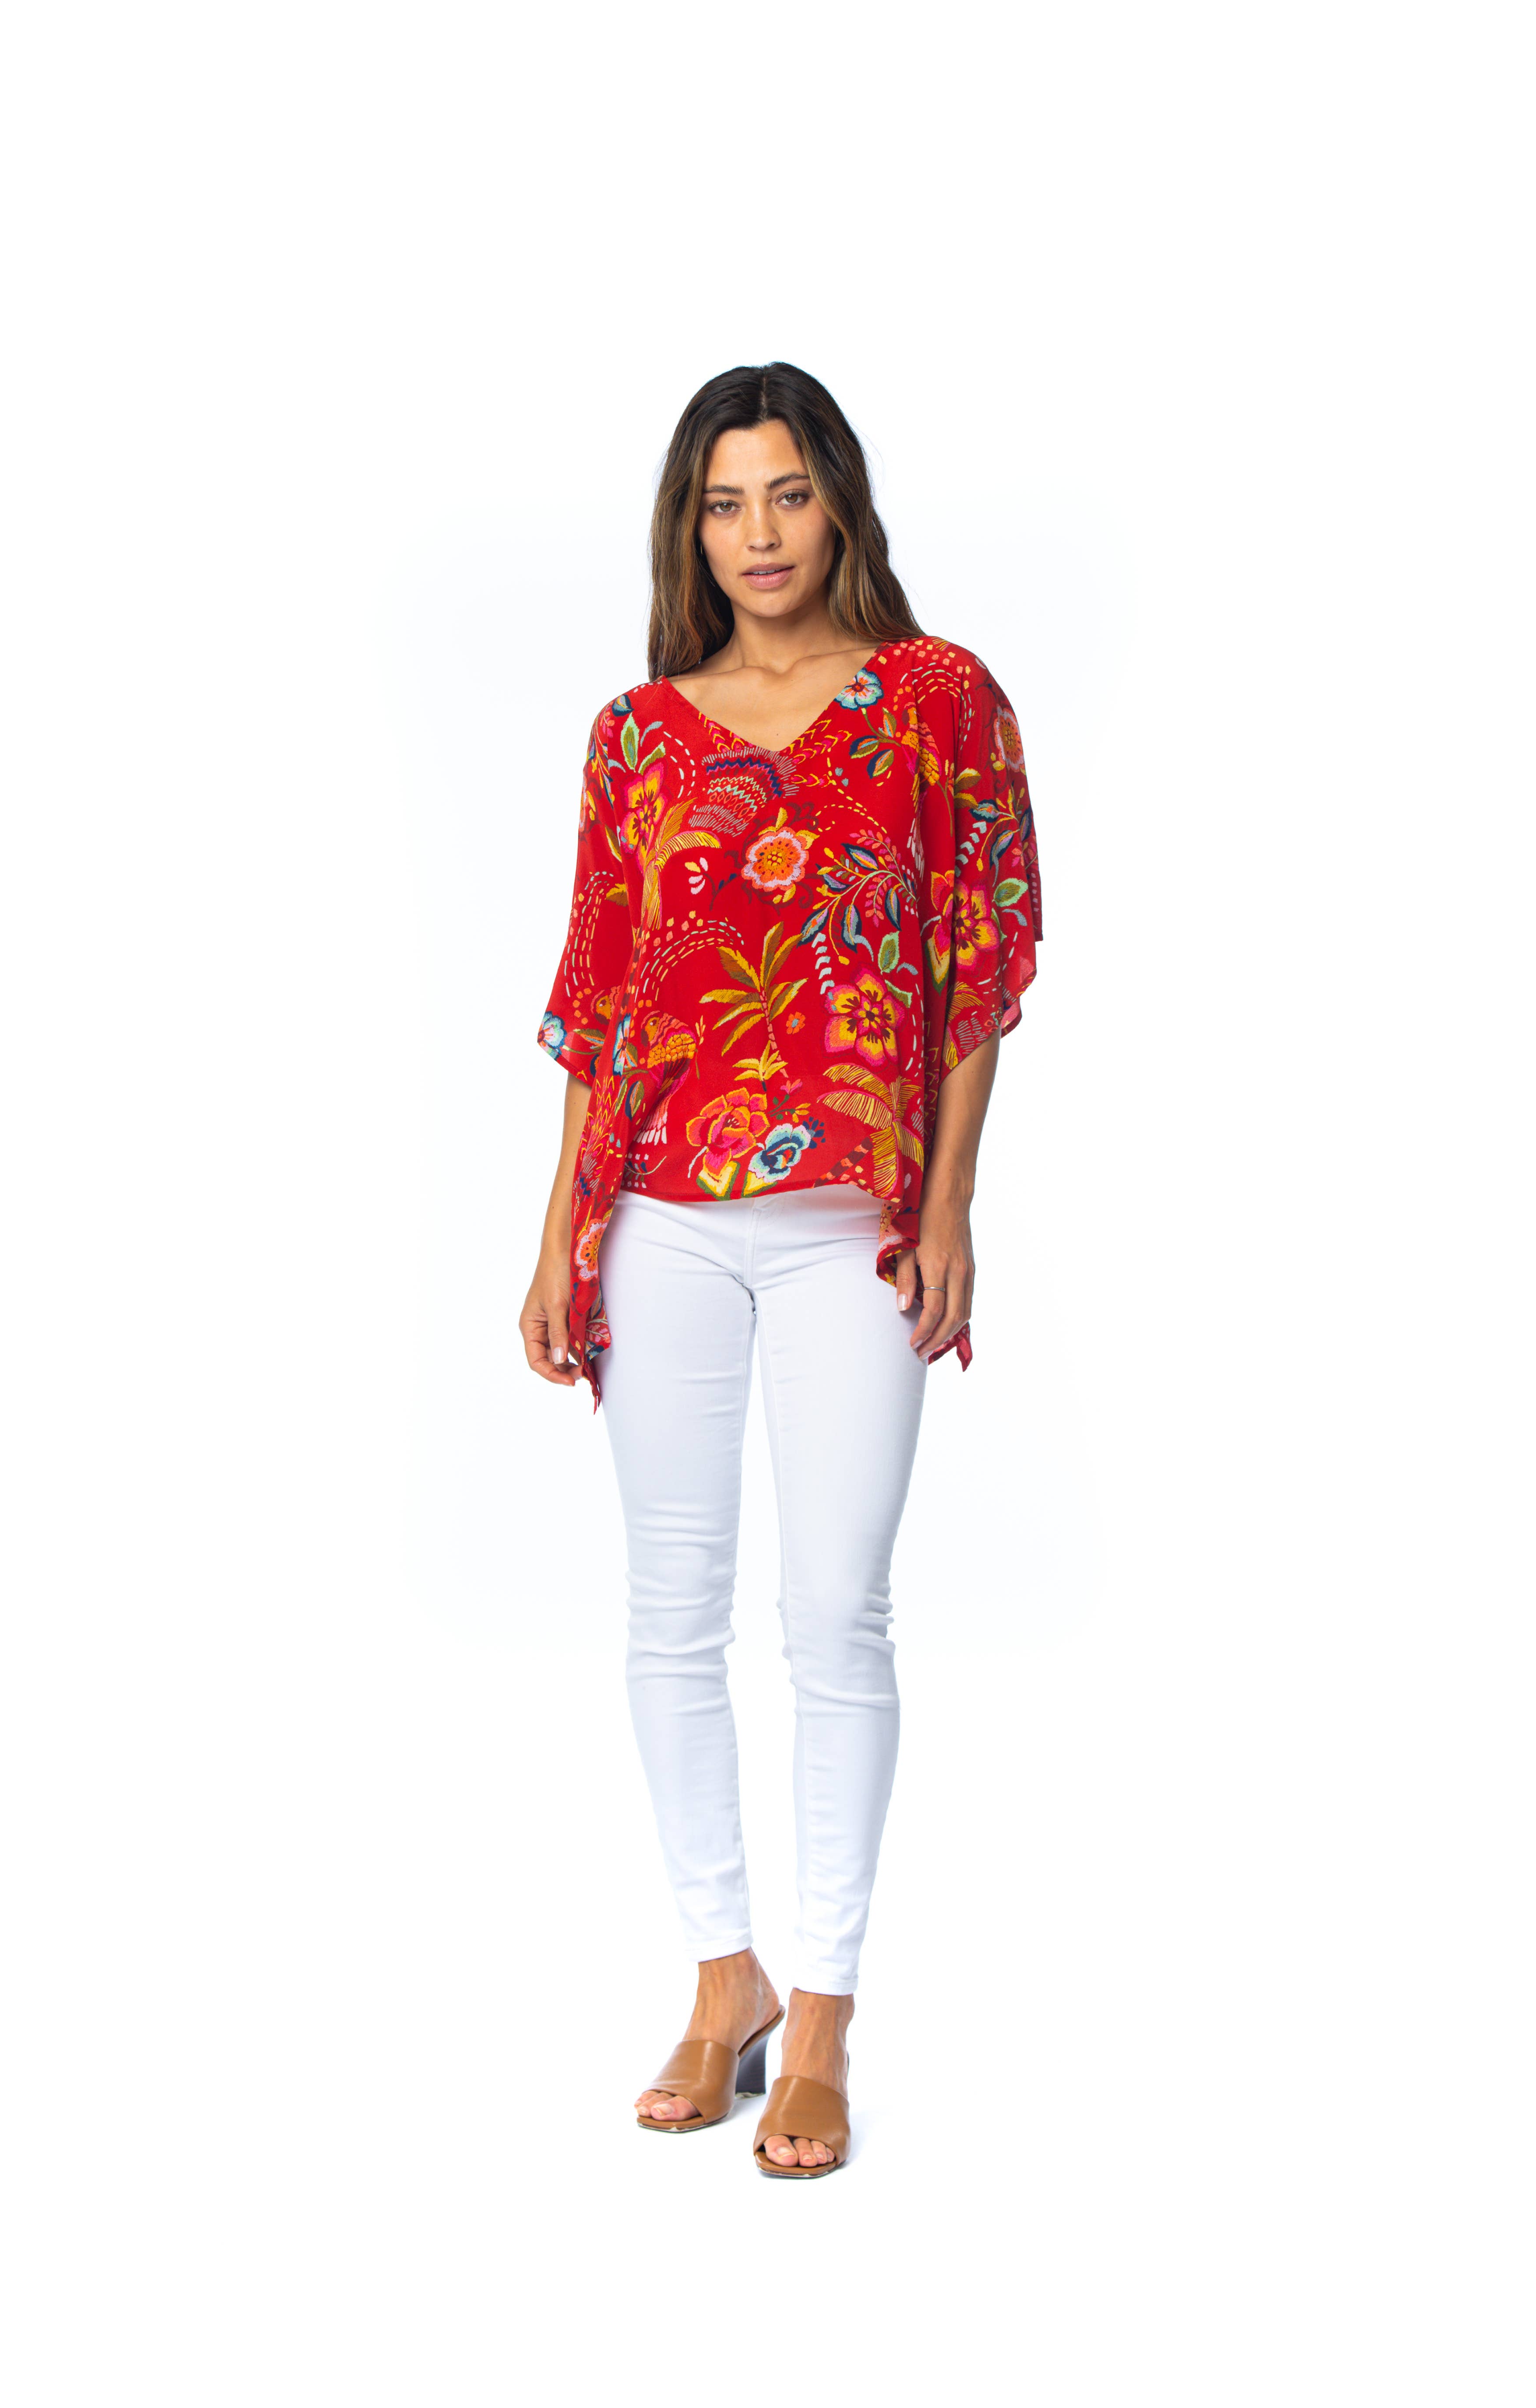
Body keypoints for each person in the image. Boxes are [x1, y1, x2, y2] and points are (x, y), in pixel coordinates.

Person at [519, 362, 1043, 2177]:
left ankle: (822, 2006)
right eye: (724, 502)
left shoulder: (936, 700)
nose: (758, 534)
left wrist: (948, 1203)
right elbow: (603, 1001)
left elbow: (976, 959)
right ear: (689, 525)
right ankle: (719, 1974)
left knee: (834, 1611)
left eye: (789, 493)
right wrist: (557, 1232)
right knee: (669, 1612)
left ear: (840, 503)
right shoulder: (636, 733)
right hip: (658, 1213)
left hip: (846, 1221)